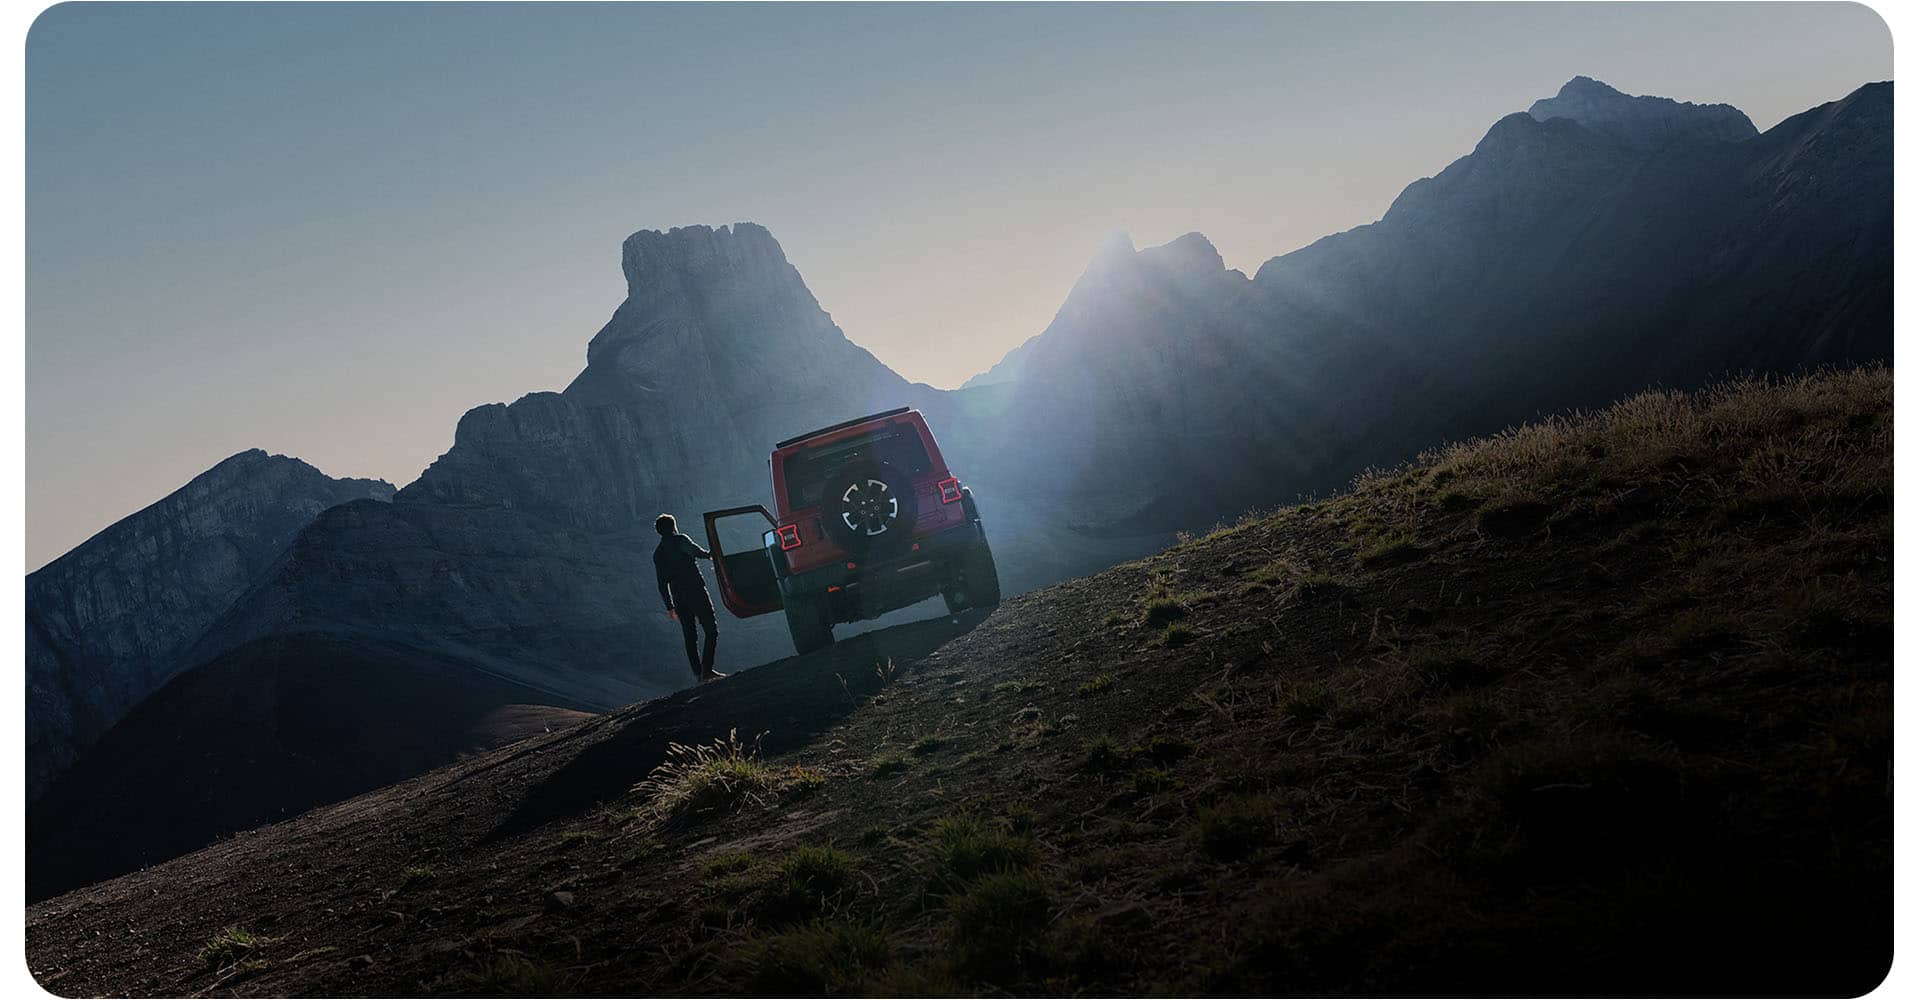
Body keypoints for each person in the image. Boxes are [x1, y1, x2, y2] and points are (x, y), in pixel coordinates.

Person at [653, 513, 724, 682]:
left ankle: (698, 673)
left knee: (690, 634)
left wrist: (669, 606)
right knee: (711, 629)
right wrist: (712, 552)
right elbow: (697, 553)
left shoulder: (658, 553)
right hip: (695, 590)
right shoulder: (681, 540)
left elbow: (661, 583)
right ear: (673, 527)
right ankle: (707, 670)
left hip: (678, 596)